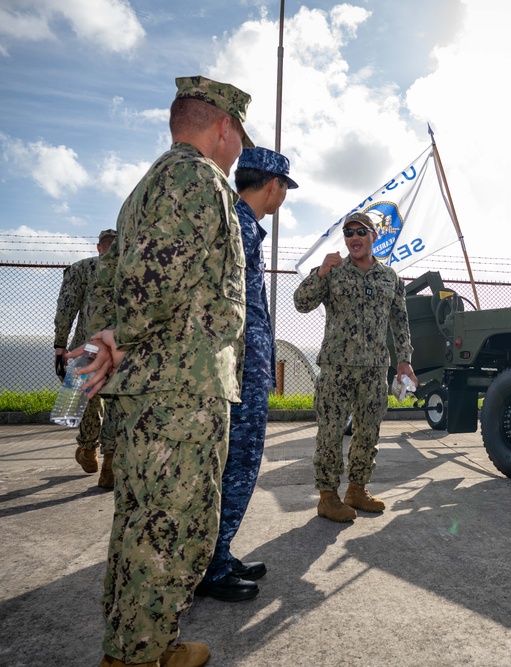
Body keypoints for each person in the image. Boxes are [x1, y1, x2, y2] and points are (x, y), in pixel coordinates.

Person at [75, 74, 254, 667]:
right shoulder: (196, 177)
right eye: (238, 134)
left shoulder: (151, 182)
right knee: (172, 527)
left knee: (141, 524)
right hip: (180, 389)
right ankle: (137, 656)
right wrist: (121, 336)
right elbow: (162, 280)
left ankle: (139, 643)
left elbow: (124, 279)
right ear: (223, 127)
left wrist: (114, 337)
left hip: (157, 386)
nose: (239, 148)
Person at [194, 147, 297, 602]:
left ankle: (218, 552)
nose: (283, 197)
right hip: (236, 373)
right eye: (284, 189)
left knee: (235, 463)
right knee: (235, 464)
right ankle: (210, 567)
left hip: (242, 369)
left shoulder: (241, 226)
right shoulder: (237, 228)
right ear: (272, 185)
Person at [293, 211, 417, 523]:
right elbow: (301, 302)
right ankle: (328, 497)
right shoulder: (332, 271)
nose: (354, 237)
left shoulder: (390, 278)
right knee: (331, 433)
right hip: (337, 368)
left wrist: (404, 361)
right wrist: (320, 272)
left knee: (367, 433)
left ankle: (357, 490)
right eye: (348, 233)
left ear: (374, 236)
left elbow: (400, 322)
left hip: (374, 369)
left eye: (361, 231)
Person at [54, 228, 116, 488]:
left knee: (88, 401)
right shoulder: (132, 270)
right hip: (120, 349)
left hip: (87, 347)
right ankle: (110, 463)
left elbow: (67, 306)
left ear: (98, 247)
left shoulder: (81, 269)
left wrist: (59, 346)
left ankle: (88, 451)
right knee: (115, 404)